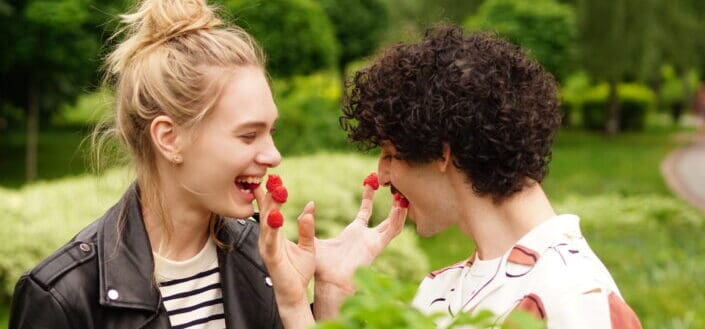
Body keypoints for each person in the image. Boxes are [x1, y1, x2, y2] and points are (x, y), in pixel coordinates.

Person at [261, 26, 643, 329]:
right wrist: (331, 294)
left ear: (442, 152)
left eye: (391, 154)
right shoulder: (441, 289)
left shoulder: (576, 301)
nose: (381, 174)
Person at [7, 0, 345, 327]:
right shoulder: (63, 297)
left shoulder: (263, 261)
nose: (273, 155)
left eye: (271, 131)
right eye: (248, 135)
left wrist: (304, 303)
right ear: (169, 138)